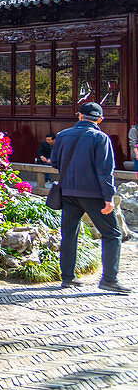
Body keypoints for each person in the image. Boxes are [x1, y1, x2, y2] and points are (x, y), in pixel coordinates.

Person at [52, 102, 130, 294]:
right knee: (112, 234)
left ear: (79, 116)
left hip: (68, 192)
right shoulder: (100, 138)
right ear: (100, 119)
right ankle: (109, 279)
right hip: (93, 194)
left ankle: (68, 278)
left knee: (69, 234)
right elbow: (106, 171)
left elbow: (55, 162)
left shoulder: (62, 135)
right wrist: (108, 197)